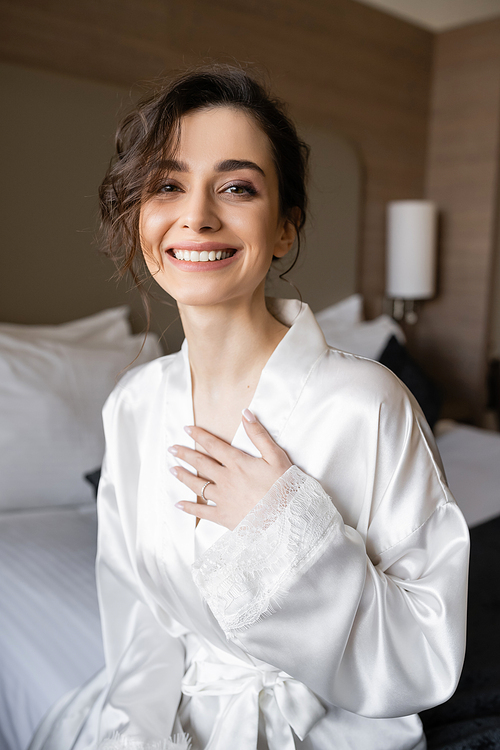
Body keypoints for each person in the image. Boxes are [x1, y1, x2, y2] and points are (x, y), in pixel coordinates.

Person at [29, 65, 469, 750]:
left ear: (286, 227)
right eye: (167, 185)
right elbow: (141, 622)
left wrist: (289, 527)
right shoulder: (133, 408)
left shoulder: (368, 406)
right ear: (139, 217)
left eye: (236, 187)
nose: (197, 216)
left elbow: (425, 654)